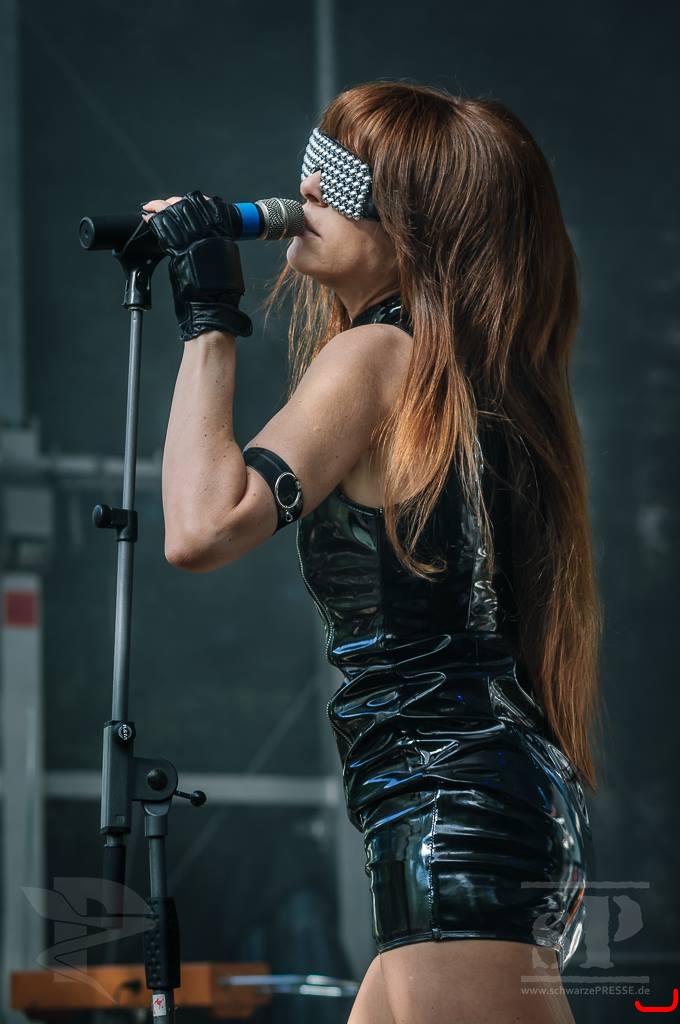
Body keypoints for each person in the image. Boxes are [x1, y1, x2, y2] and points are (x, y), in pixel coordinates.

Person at [141, 80, 604, 1024]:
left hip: (452, 814)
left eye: (344, 178)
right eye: (315, 162)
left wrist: (208, 322)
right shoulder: (451, 376)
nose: (309, 187)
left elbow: (202, 524)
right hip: (465, 802)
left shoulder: (379, 357)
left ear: (416, 228)